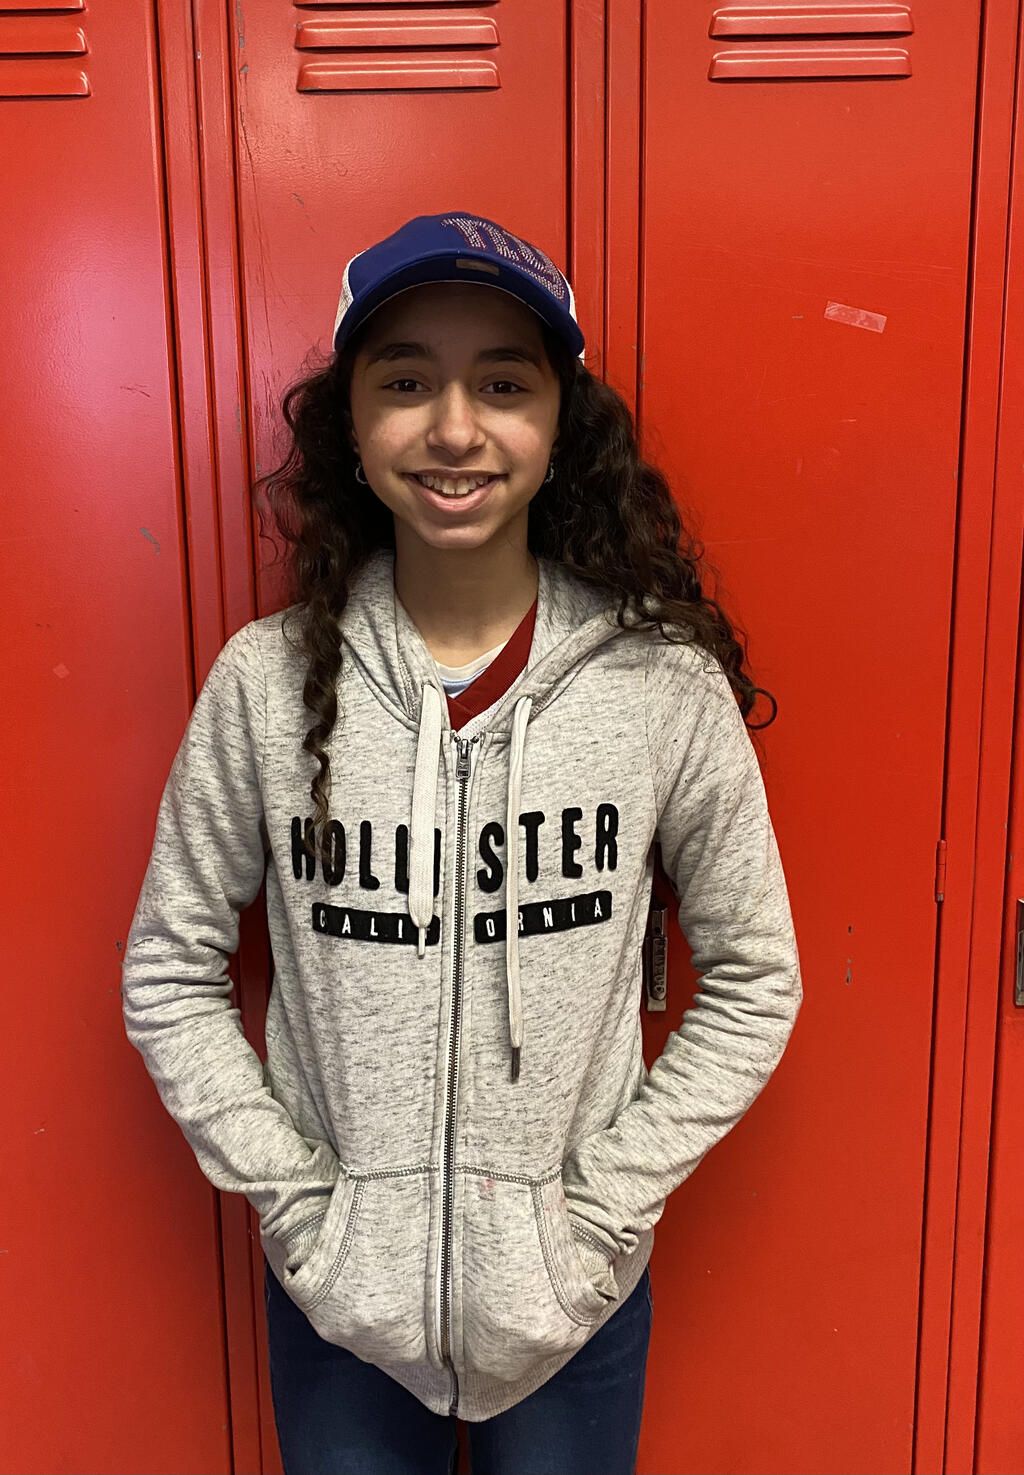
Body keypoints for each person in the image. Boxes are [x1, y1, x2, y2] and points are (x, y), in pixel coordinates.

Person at [120, 210, 803, 1475]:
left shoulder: (657, 685)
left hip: (570, 1302)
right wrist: (305, 1208)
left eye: (501, 383)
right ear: (350, 424)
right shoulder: (266, 686)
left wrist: (597, 1214)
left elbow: (756, 975)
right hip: (340, 1306)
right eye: (404, 382)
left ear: (558, 423)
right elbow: (169, 966)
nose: (452, 428)